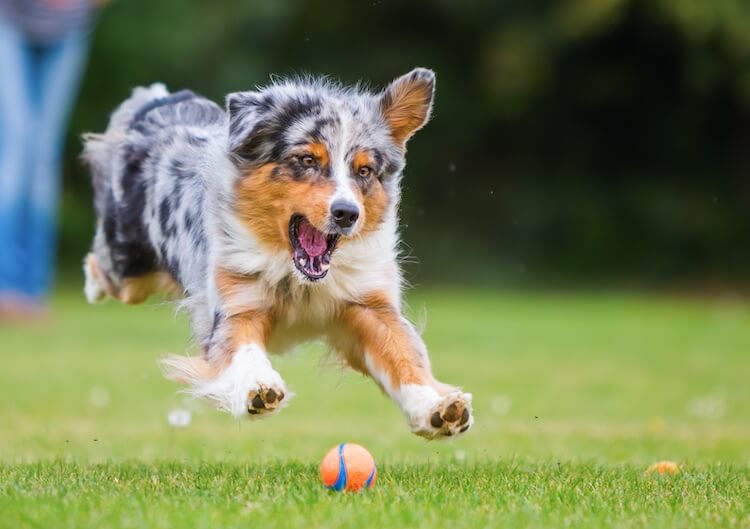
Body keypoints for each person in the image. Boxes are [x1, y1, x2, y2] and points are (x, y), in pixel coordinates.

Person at [0, 0, 99, 320]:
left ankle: (33, 289)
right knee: (17, 142)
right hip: (10, 16)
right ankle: (7, 286)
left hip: (69, 23)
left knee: (43, 151)